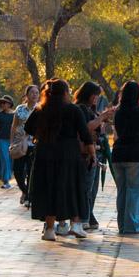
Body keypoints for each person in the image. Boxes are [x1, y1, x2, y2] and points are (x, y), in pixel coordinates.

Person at [25, 79, 94, 241]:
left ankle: (49, 229)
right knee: (72, 186)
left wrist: (41, 134)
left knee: (49, 189)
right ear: (65, 93)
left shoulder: (41, 110)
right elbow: (85, 134)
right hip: (68, 153)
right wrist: (92, 154)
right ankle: (75, 224)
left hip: (45, 153)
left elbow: (28, 128)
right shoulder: (73, 110)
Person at [105, 80, 139, 235]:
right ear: (138, 95)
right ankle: (132, 225)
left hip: (119, 154)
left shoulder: (119, 113)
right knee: (136, 191)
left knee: (123, 191)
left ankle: (123, 225)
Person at [74, 81, 105, 225]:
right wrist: (101, 118)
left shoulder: (90, 109)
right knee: (86, 188)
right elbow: (85, 129)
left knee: (92, 189)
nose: (96, 98)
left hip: (95, 152)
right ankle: (83, 219)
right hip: (85, 154)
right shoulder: (80, 109)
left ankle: (88, 215)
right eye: (95, 95)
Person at [12, 84, 40, 201]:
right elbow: (14, 126)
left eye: (37, 93)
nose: (34, 94)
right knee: (17, 171)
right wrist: (11, 142)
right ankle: (24, 190)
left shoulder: (40, 109)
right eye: (32, 92)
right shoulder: (20, 109)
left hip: (34, 145)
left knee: (31, 171)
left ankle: (28, 195)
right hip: (20, 143)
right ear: (27, 95)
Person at [0, 96, 17, 189]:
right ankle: (6, 181)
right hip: (1, 139)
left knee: (12, 160)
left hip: (13, 140)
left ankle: (15, 178)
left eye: (5, 102)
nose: (3, 104)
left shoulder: (15, 114)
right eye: (2, 103)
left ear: (10, 103)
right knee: (4, 159)